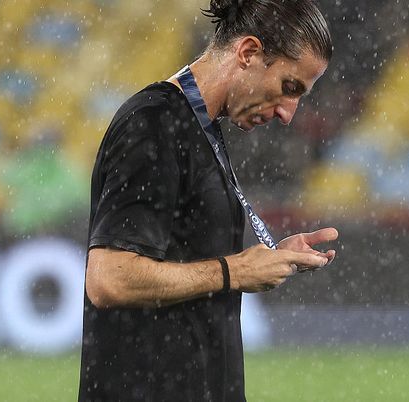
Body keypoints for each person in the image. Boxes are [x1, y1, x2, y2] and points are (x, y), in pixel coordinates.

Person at [78, 1, 337, 401]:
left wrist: (266, 260)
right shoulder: (154, 123)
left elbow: (183, 258)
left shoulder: (196, 126)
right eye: (290, 88)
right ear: (249, 53)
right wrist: (234, 271)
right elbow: (109, 278)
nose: (289, 113)